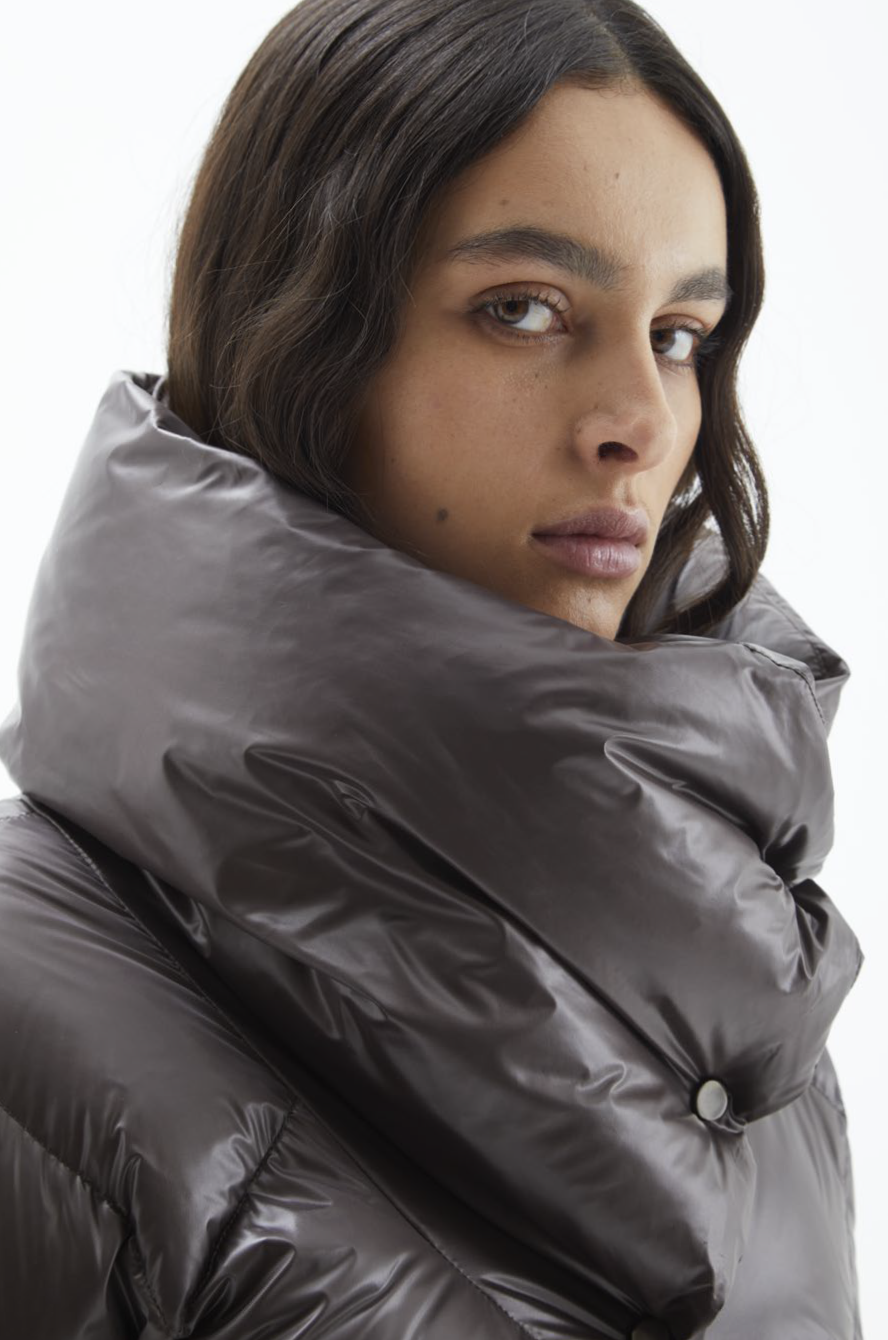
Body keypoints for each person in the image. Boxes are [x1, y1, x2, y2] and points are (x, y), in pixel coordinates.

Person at [0, 1, 864, 1337]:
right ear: (300, 333)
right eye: (524, 310)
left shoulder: (736, 1006)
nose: (641, 422)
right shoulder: (29, 1046)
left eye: (680, 333)